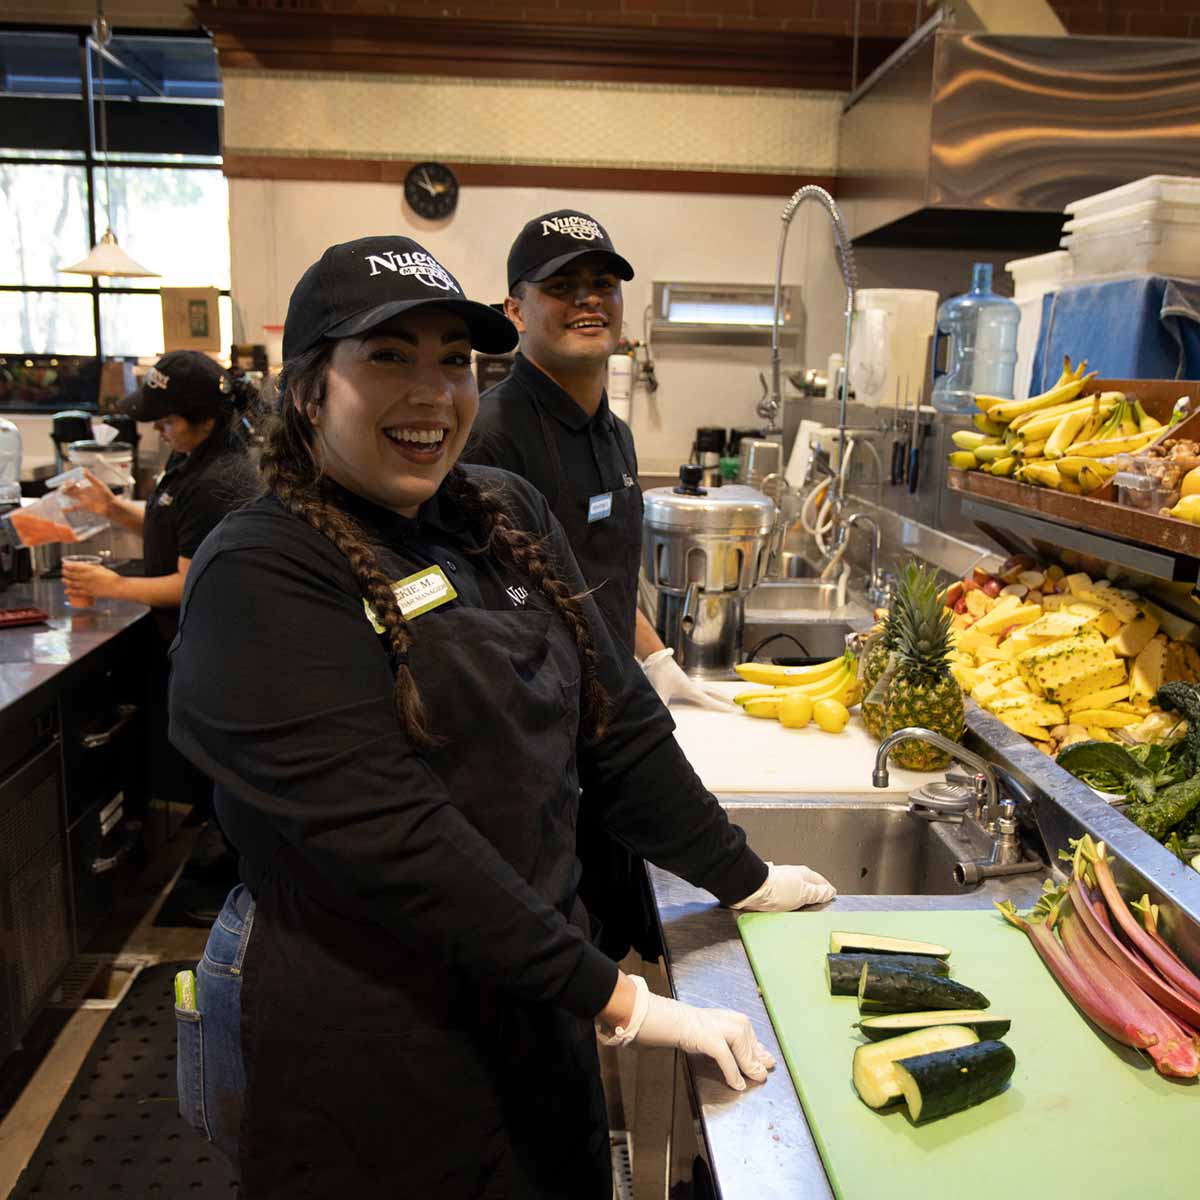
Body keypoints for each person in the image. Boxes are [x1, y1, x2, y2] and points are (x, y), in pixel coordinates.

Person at [167, 235, 836, 1199]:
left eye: (455, 360)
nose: (432, 391)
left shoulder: (503, 511)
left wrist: (744, 875)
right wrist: (623, 1002)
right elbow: (395, 840)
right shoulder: (260, 571)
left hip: (535, 1010)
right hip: (373, 1044)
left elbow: (618, 727)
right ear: (311, 389)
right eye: (388, 357)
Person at [463, 210, 731, 960]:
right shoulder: (491, 436)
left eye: (602, 284)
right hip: (543, 770)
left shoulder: (612, 433)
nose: (588, 300)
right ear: (514, 310)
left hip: (608, 739)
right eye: (562, 286)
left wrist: (656, 660)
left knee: (614, 953)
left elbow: (600, 572)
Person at [62, 350, 258, 910]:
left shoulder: (223, 478)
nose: (158, 429)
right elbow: (166, 518)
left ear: (207, 418)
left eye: (167, 420)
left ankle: (227, 890)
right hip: (183, 643)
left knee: (221, 780)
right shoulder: (192, 459)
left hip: (217, 651)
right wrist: (112, 506)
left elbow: (187, 581)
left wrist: (107, 584)